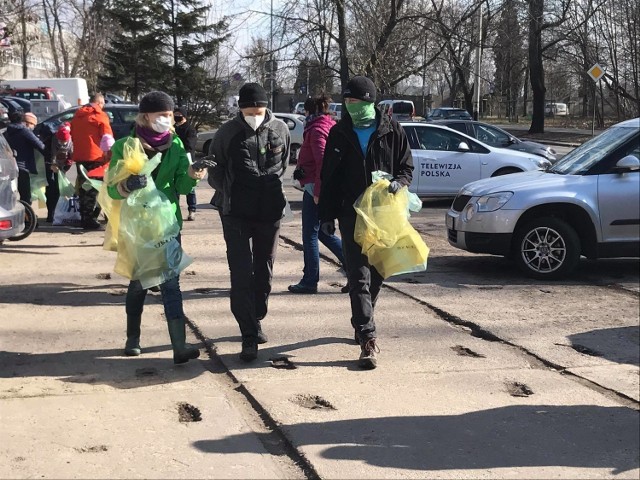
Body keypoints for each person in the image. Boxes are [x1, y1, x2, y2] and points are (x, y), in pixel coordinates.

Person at [107, 91, 211, 364]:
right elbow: (111, 190)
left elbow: (181, 186)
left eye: (169, 115)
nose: (166, 119)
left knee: (171, 284)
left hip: (168, 223)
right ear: (146, 116)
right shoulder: (125, 146)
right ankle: (133, 338)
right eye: (161, 115)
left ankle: (179, 346)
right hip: (138, 227)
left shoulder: (175, 145)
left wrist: (193, 174)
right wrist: (126, 185)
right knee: (139, 283)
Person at [318, 76, 413, 369]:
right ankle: (367, 337)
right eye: (347, 102)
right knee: (358, 276)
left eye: (356, 102)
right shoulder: (339, 133)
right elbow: (329, 177)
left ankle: (362, 318)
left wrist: (399, 182)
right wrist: (327, 216)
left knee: (378, 272)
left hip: (383, 214)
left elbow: (406, 167)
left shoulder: (392, 130)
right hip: (351, 214)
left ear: (370, 101)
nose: (350, 107)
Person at [208, 82, 290, 362]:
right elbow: (215, 172)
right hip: (235, 212)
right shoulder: (227, 132)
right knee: (241, 273)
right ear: (240, 109)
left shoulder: (280, 130)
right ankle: (248, 334)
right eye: (249, 110)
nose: (255, 114)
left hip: (270, 211)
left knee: (264, 270)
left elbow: (284, 165)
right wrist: (233, 192)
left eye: (259, 109)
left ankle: (257, 316)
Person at [288, 94, 345, 294]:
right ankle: (355, 271)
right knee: (323, 232)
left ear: (309, 111)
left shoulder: (317, 130)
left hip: (315, 188)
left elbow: (323, 162)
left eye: (304, 111)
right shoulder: (327, 125)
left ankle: (310, 280)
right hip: (317, 186)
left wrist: (319, 192)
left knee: (310, 235)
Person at [70, 93, 114, 230]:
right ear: (100, 103)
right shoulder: (100, 116)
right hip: (96, 157)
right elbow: (107, 138)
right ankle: (92, 219)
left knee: (84, 188)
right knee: (98, 188)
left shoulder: (77, 116)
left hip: (80, 157)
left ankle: (85, 217)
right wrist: (111, 154)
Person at [2, 110, 45, 204]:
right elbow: (40, 146)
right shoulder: (24, 131)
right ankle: (27, 217)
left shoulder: (6, 132)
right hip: (22, 167)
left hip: (8, 168)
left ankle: (12, 215)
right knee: (26, 196)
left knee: (9, 195)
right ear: (22, 120)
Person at [45, 122, 74, 223]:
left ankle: (57, 213)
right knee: (51, 190)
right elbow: (50, 154)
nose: (62, 143)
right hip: (51, 167)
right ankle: (51, 214)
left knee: (59, 190)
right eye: (60, 141)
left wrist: (66, 166)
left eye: (63, 141)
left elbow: (71, 156)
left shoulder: (70, 141)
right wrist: (52, 165)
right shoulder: (52, 140)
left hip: (62, 168)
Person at [173, 107, 198, 221]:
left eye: (179, 115)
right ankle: (174, 210)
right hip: (174, 161)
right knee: (175, 186)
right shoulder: (172, 128)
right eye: (175, 114)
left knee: (190, 186)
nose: (177, 117)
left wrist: (178, 145)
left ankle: (192, 210)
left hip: (187, 160)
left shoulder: (190, 130)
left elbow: (190, 146)